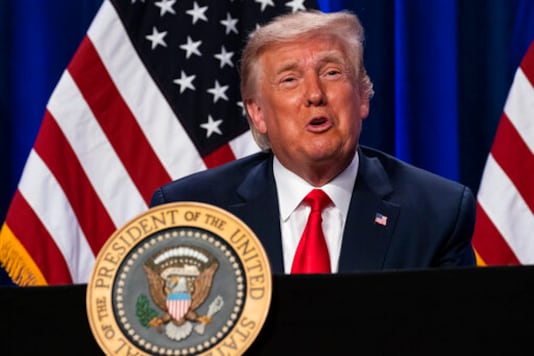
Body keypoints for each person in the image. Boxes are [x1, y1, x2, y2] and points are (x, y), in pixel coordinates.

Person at [150, 10, 476, 274]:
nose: (315, 94)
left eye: (332, 72)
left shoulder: (437, 213)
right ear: (258, 113)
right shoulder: (190, 212)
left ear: (363, 96)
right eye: (290, 79)